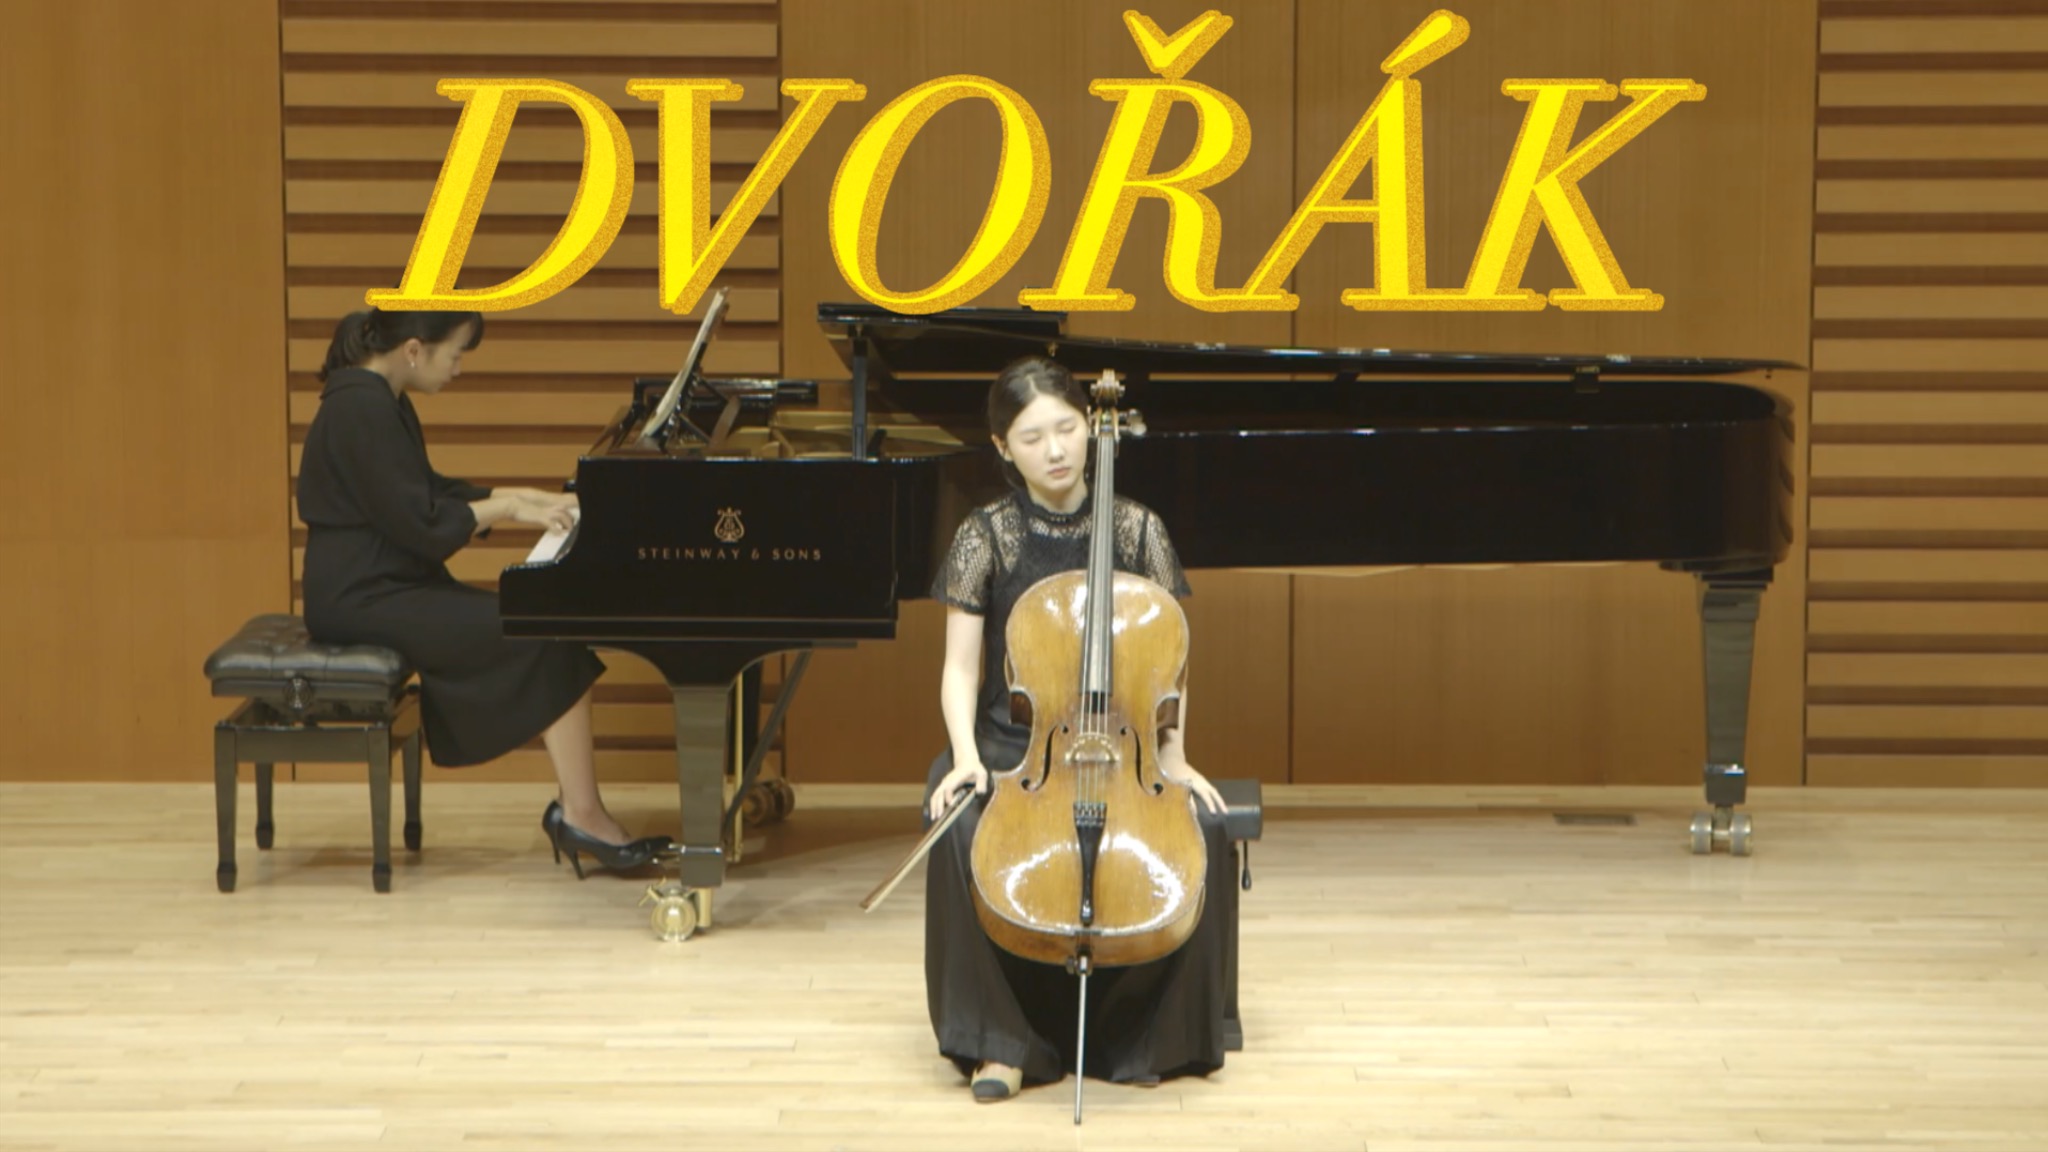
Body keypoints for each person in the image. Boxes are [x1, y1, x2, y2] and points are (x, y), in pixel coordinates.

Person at [920, 355, 1233, 1103]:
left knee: (1205, 827)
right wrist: (963, 757)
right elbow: (960, 669)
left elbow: (1171, 666)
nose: (1056, 450)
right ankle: (1001, 1044)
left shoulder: (1138, 530)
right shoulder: (985, 535)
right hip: (1014, 748)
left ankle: (1139, 1038)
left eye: (1067, 429)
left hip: (1125, 746)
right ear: (1002, 447)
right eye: (1033, 438)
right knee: (957, 827)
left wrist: (1174, 758)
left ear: (1093, 427)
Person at [296, 306, 671, 877]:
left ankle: (580, 810)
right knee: (540, 633)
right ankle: (582, 814)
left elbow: (426, 490)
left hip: (381, 587)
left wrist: (530, 498)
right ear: (414, 350)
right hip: (361, 599)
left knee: (544, 628)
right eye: (456, 354)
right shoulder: (360, 408)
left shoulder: (376, 400)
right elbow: (422, 523)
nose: (459, 369)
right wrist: (512, 506)